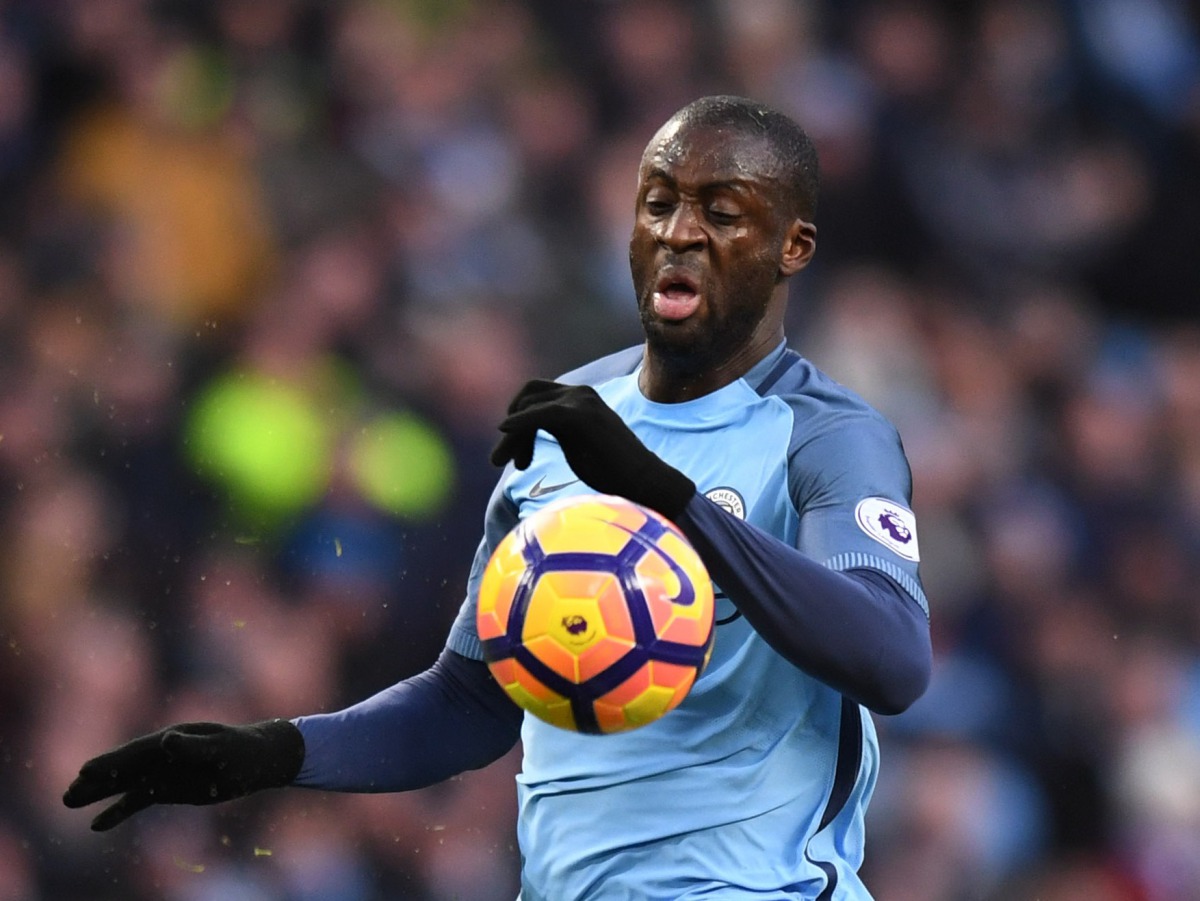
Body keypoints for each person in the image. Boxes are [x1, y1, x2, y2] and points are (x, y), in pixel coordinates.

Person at [64, 95, 932, 900]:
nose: (680, 234)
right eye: (658, 202)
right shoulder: (563, 422)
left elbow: (890, 657)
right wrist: (272, 749)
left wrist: (669, 500)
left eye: (723, 213)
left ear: (794, 247)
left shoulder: (827, 435)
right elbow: (468, 703)